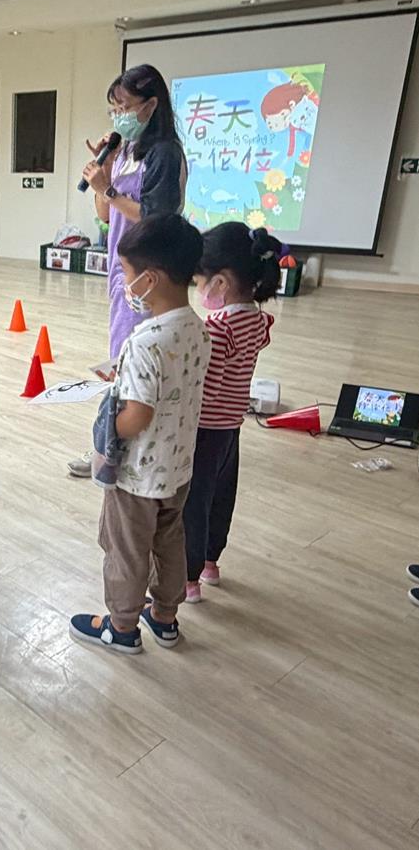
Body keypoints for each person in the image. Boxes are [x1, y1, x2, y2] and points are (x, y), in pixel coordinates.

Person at [69, 214, 210, 655]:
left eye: (126, 273)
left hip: (138, 476)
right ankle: (165, 617)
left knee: (126, 550)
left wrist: (105, 425)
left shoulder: (145, 340)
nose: (125, 284)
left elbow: (137, 417)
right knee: (169, 543)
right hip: (178, 466)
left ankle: (122, 627)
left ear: (150, 279)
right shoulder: (197, 328)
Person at [69, 63, 187, 479]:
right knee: (121, 356)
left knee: (139, 360)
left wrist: (109, 189)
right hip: (123, 271)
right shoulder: (125, 151)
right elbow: (105, 214)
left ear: (151, 106)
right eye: (113, 108)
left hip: (152, 271)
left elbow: (157, 216)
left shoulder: (165, 153)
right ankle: (111, 443)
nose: (118, 116)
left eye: (124, 107)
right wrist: (104, 174)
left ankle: (116, 447)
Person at [183, 224, 280, 602]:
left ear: (220, 283)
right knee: (221, 497)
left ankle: (189, 579)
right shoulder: (257, 319)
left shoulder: (217, 327)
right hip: (231, 427)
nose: (199, 290)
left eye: (199, 282)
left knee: (194, 502)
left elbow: (205, 388)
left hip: (205, 429)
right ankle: (211, 562)